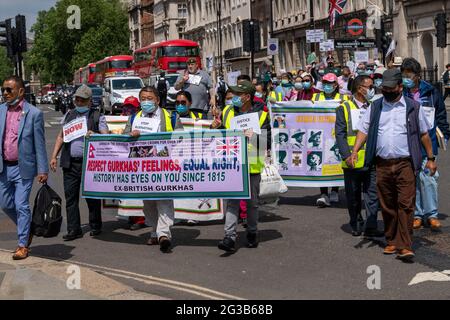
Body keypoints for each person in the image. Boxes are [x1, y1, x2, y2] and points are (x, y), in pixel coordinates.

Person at [351, 69, 435, 261]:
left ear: (399, 87)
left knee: (405, 204)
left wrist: (430, 158)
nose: (386, 91)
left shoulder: (413, 107)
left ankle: (404, 245)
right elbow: (363, 131)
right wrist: (355, 151)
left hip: (405, 163)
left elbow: (424, 134)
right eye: (384, 88)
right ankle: (391, 240)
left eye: (390, 88)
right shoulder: (376, 106)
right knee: (387, 205)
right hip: (382, 164)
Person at [210, 80, 270, 252]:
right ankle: (229, 237)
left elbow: (267, 142)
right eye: (233, 94)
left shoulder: (262, 114)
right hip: (232, 164)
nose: (234, 97)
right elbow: (220, 133)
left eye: (237, 94)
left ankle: (252, 232)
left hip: (252, 164)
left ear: (247, 97)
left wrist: (254, 136)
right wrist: (214, 126)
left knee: (252, 203)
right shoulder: (228, 111)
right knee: (232, 202)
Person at [124, 86, 183, 253]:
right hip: (142, 166)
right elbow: (124, 136)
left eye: (149, 98)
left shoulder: (170, 116)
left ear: (157, 100)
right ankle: (154, 231)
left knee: (164, 199)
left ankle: (164, 234)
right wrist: (131, 134)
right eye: (143, 98)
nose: (146, 101)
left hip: (163, 165)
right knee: (148, 201)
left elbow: (180, 136)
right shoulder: (134, 117)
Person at [50, 85, 109, 241]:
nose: (78, 102)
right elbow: (60, 137)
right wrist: (54, 156)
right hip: (70, 163)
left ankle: (96, 225)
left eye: (82, 100)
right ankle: (73, 229)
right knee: (70, 197)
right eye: (77, 99)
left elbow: (106, 137)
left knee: (92, 196)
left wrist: (94, 134)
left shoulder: (97, 116)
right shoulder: (69, 115)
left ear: (89, 101)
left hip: (89, 164)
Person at [0, 76, 48, 260]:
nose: (5, 93)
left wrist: (42, 170)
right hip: (4, 167)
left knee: (21, 205)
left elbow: (40, 144)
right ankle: (27, 228)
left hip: (23, 168)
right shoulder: (0, 110)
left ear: (20, 91)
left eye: (9, 90)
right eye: (3, 89)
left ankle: (22, 245)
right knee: (5, 204)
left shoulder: (34, 113)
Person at [401, 58, 450, 230]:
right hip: (407, 142)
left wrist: (445, 133)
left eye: (409, 75)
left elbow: (441, 114)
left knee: (429, 178)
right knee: (412, 180)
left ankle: (432, 215)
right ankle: (417, 214)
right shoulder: (400, 92)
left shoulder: (430, 92)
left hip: (428, 141)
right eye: (404, 74)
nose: (406, 78)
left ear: (417, 75)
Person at [335, 75, 382, 237]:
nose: (372, 89)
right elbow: (340, 134)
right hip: (352, 160)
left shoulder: (374, 106)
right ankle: (355, 221)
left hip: (371, 159)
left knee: (372, 195)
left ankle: (371, 225)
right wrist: (346, 155)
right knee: (353, 195)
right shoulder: (344, 107)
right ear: (359, 88)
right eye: (369, 86)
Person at [311, 73, 350, 207]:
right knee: (322, 162)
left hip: (336, 135)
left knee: (335, 161)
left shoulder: (343, 98)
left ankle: (335, 190)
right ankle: (323, 193)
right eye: (325, 83)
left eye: (330, 83)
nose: (327, 86)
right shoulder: (316, 96)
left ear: (335, 85)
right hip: (320, 134)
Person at [119, 96, 148, 230]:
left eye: (131, 107)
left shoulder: (143, 118)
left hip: (143, 157)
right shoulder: (123, 118)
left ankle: (140, 219)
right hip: (129, 158)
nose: (128, 110)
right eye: (126, 107)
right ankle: (131, 216)